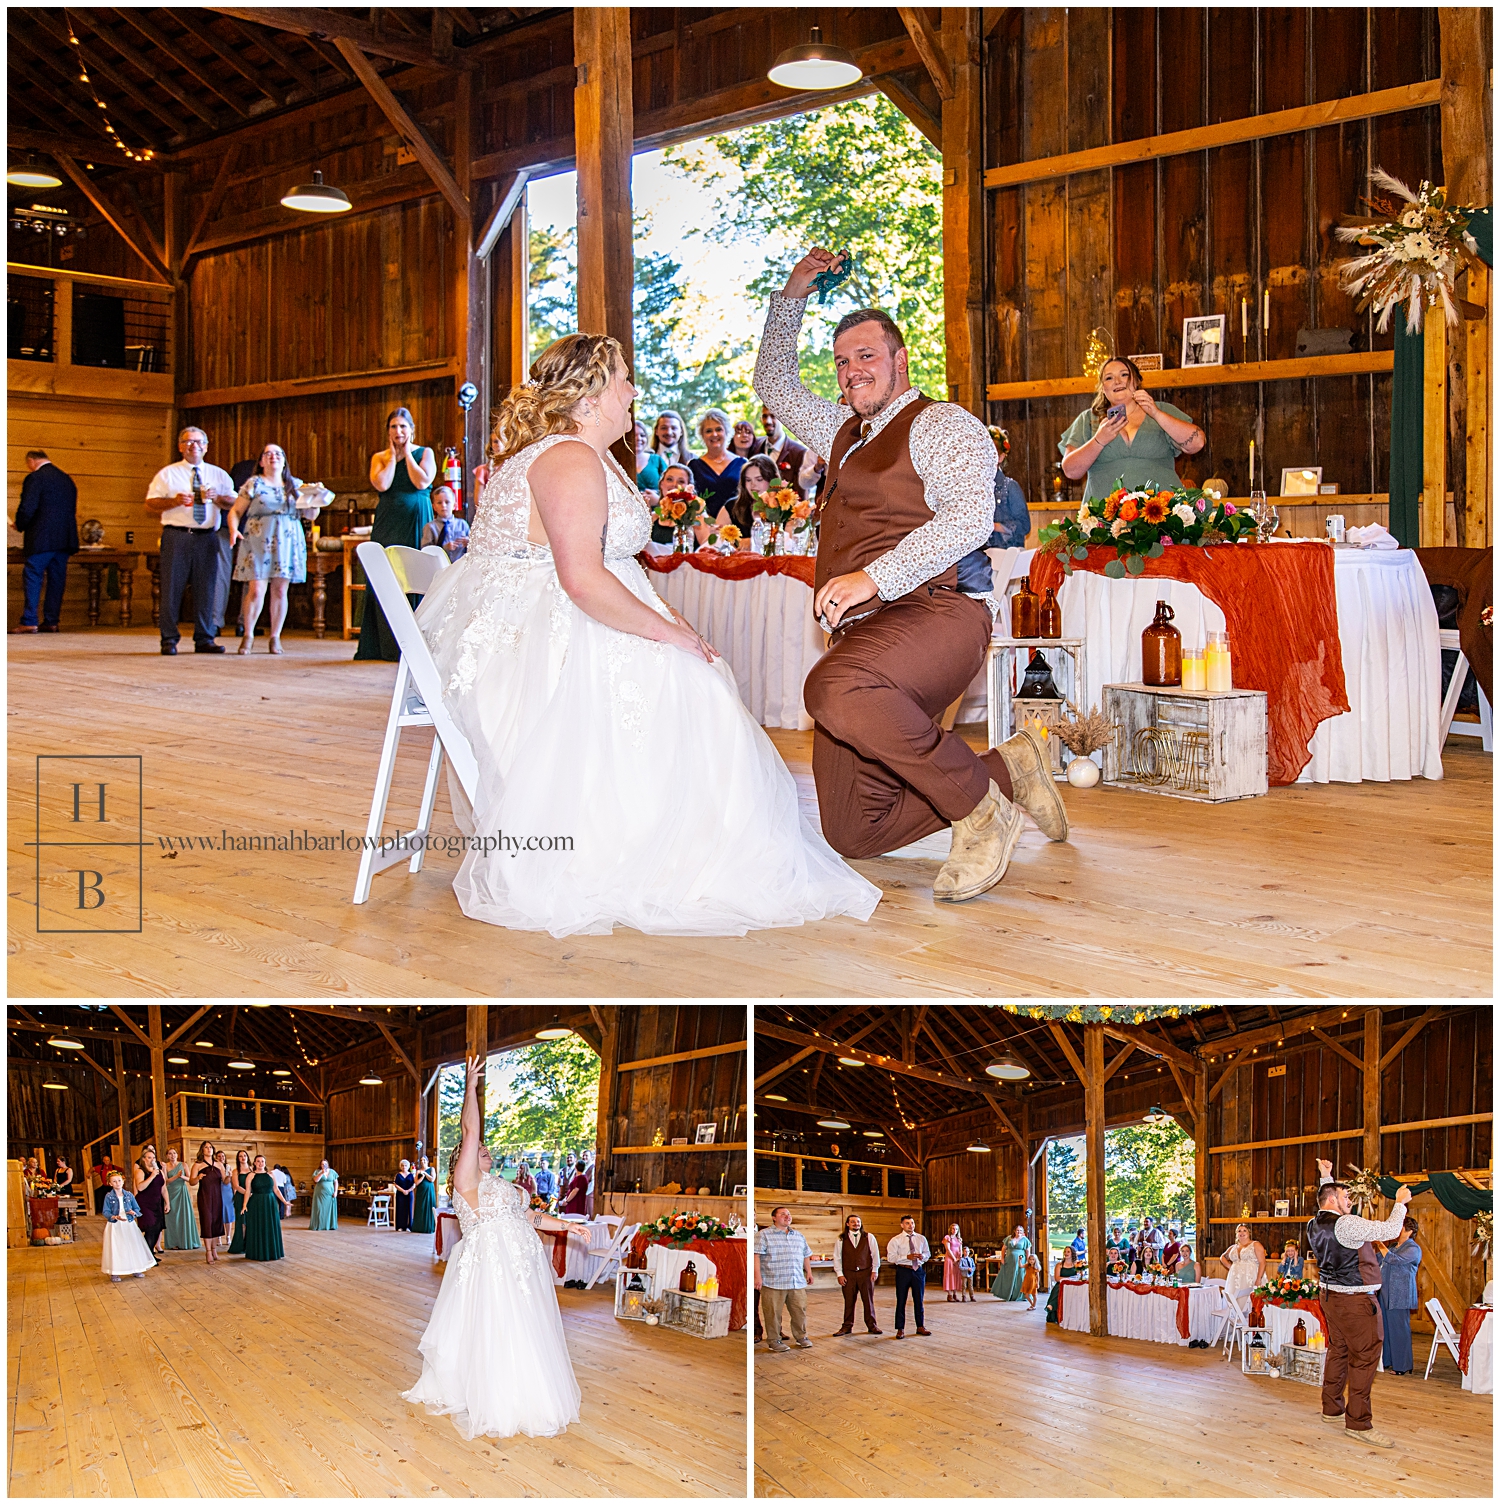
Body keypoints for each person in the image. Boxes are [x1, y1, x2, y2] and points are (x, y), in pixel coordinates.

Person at [413, 332, 880, 937]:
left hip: (553, 614)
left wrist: (671, 619)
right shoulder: (567, 458)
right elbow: (581, 580)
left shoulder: (584, 453)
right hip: (534, 641)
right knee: (690, 680)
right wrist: (668, 635)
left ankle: (694, 833)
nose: (633, 391)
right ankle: (674, 847)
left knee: (698, 667)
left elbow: (612, 569)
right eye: (623, 380)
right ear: (589, 396)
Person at [755, 247, 1067, 901]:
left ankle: (979, 814)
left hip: (943, 612)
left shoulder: (943, 423)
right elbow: (776, 388)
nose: (851, 371)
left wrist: (874, 578)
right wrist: (791, 294)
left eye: (866, 355)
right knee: (852, 830)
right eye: (842, 361)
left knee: (830, 689)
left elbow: (968, 520)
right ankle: (1009, 770)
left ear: (900, 361)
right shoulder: (842, 430)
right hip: (870, 637)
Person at [401, 1054, 587, 1439]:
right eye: (478, 1148)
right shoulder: (466, 1181)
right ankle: (495, 1399)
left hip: (521, 1266)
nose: (485, 1149)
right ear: (462, 1161)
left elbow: (532, 1218)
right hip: (491, 1262)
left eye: (486, 1149)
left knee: (524, 1326)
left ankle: (527, 1394)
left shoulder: (502, 1184)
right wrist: (470, 1089)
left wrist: (567, 1224)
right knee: (495, 1325)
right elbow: (470, 1131)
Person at [1310, 1158, 1412, 1446]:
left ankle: (1331, 1409)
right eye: (1345, 1197)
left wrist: (1325, 1176)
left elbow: (1324, 1199)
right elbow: (1391, 1231)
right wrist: (1400, 1202)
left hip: (1330, 1297)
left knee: (1338, 1351)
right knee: (1365, 1357)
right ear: (1333, 1199)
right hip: (1354, 1301)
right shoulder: (1347, 1224)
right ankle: (1358, 1423)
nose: (1350, 1200)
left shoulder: (1315, 1222)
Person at [1059, 357, 1205, 504]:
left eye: (1124, 375)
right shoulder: (1088, 419)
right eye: (1109, 378)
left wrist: (1155, 413)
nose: (1117, 381)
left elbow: (1197, 444)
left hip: (1161, 516)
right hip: (1105, 519)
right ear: (1103, 388)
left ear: (1136, 381)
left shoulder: (1162, 410)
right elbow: (1071, 471)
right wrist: (1099, 440)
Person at [146, 426, 235, 655]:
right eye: (187, 442)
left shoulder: (219, 475)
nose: (193, 446)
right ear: (180, 447)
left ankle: (205, 638)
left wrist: (218, 498)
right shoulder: (168, 474)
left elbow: (233, 503)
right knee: (172, 588)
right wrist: (173, 501)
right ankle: (169, 639)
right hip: (177, 536)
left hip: (207, 537)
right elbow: (150, 504)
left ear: (206, 447)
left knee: (207, 589)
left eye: (198, 442)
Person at [356, 406, 436, 661]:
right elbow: (382, 484)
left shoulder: (425, 453)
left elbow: (422, 482)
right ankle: (383, 645)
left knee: (413, 572)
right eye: (393, 426)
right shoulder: (380, 457)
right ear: (388, 430)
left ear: (411, 429)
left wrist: (408, 454)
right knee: (385, 571)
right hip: (388, 519)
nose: (398, 431)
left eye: (403, 426)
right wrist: (393, 456)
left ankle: (414, 643)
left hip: (415, 517)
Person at [226, 443, 312, 654]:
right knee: (256, 590)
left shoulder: (296, 485)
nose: (273, 457)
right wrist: (233, 530)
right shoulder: (253, 483)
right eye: (268, 454)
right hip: (258, 539)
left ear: (284, 461)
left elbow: (310, 515)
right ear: (262, 461)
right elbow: (236, 511)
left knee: (280, 589)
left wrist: (315, 501)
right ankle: (248, 634)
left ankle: (275, 637)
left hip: (287, 540)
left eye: (278, 454)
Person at [12, 450, 78, 634]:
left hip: (42, 537)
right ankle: (51, 621)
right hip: (64, 537)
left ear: (32, 461)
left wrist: (20, 524)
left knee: (33, 575)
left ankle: (30, 620)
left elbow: (28, 507)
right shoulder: (66, 479)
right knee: (57, 579)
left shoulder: (35, 478)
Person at [755, 1205, 813, 1352]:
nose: (787, 1216)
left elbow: (806, 1255)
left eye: (788, 1214)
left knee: (800, 1310)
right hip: (773, 1281)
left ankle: (801, 1337)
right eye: (783, 1214)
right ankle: (774, 1340)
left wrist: (809, 1272)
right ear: (774, 1218)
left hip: (796, 1281)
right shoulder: (764, 1235)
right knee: (773, 1313)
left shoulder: (798, 1236)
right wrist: (757, 1277)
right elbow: (756, 1256)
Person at [1377, 1215, 1422, 1375]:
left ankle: (1402, 1366)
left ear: (1408, 1230)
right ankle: (1388, 1361)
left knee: (1399, 1330)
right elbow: (1378, 1260)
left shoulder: (1413, 1248)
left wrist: (1379, 1244)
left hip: (1400, 1295)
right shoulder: (1395, 1246)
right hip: (1386, 1294)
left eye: (1399, 1227)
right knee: (1387, 1330)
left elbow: (1393, 1260)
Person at [688, 410, 745, 523]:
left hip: (738, 525)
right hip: (704, 528)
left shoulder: (743, 464)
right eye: (709, 431)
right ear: (702, 436)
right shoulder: (693, 466)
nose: (714, 434)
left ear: (727, 432)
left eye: (719, 429)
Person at [832, 1212, 881, 1336]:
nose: (856, 1224)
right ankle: (847, 1326)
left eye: (858, 1221)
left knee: (868, 1300)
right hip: (848, 1274)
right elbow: (837, 1257)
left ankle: (872, 1325)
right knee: (849, 1301)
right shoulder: (841, 1239)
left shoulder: (869, 1237)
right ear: (848, 1224)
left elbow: (875, 1254)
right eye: (853, 1222)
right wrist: (839, 1274)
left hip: (866, 1273)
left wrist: (875, 1270)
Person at [101, 1173, 154, 1281]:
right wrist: (113, 1216)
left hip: (128, 1224)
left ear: (123, 1181)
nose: (117, 1183)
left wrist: (133, 1213)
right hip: (115, 1224)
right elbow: (105, 1211)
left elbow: (137, 1209)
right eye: (114, 1181)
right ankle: (115, 1271)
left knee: (132, 1245)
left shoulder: (129, 1195)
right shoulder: (109, 1196)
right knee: (117, 1247)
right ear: (110, 1183)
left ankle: (136, 1268)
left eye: (119, 1180)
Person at [886, 1215, 931, 1338]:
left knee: (919, 1299)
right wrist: (906, 1257)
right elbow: (891, 1258)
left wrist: (923, 1257)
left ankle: (920, 1326)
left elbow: (928, 1253)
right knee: (901, 1300)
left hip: (918, 1271)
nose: (911, 1225)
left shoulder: (921, 1239)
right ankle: (900, 1329)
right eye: (907, 1223)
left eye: (912, 1223)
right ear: (902, 1225)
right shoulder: (896, 1240)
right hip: (903, 1271)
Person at [244, 1154, 291, 1261]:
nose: (260, 1163)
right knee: (258, 1226)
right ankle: (257, 1252)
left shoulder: (270, 1175)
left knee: (271, 1225)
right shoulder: (251, 1175)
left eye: (262, 1161)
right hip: (256, 1202)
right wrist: (244, 1205)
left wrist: (284, 1202)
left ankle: (272, 1251)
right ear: (255, 1163)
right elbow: (247, 1191)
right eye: (258, 1161)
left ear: (265, 1163)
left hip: (270, 1203)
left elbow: (276, 1190)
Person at [721, 454, 779, 538]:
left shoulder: (786, 509)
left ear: (774, 480)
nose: (753, 485)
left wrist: (752, 543)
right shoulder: (731, 506)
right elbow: (716, 543)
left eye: (759, 479)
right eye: (748, 480)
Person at [187, 1141, 225, 1264]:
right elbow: (191, 1182)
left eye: (210, 1147)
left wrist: (230, 1176)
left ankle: (214, 1250)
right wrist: (198, 1178)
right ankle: (208, 1251)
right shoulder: (197, 1165)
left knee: (216, 1222)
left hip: (218, 1197)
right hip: (205, 1197)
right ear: (202, 1150)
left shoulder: (219, 1165)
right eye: (206, 1147)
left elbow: (225, 1181)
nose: (208, 1149)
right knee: (207, 1221)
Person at [989, 443, 1030, 550]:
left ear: (1001, 457)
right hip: (981, 557)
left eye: (990, 453)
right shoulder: (976, 488)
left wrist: (994, 526)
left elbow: (1024, 525)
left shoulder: (1010, 486)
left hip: (1008, 554)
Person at [759, 406, 807, 489]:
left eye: (773, 416)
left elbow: (802, 494)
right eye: (765, 416)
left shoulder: (799, 452)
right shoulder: (756, 446)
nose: (768, 421)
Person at [160, 1149, 199, 1250]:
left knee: (183, 1216)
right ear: (167, 1156)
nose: (172, 1155)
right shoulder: (166, 1166)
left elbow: (190, 1179)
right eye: (170, 1153)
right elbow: (165, 1182)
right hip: (170, 1193)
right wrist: (176, 1176)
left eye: (174, 1153)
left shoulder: (183, 1164)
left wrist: (181, 1177)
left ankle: (187, 1241)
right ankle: (173, 1243)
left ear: (177, 1155)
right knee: (172, 1218)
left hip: (182, 1192)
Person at [132, 1149, 167, 1262]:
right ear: (143, 1159)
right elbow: (140, 1187)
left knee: (157, 1228)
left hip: (157, 1202)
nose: (152, 1160)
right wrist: (151, 1176)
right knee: (150, 1228)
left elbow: (164, 1188)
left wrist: (167, 1202)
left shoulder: (159, 1171)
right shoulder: (140, 1171)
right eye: (149, 1157)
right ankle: (147, 1256)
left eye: (153, 1157)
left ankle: (150, 1253)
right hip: (145, 1203)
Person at [1219, 1223, 1265, 1306]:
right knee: (1235, 1299)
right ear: (1237, 1234)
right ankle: (1236, 1317)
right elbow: (1222, 1257)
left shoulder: (1255, 1245)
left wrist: (1258, 1279)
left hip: (1251, 1276)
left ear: (1249, 1233)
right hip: (1235, 1278)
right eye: (1239, 1231)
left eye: (1244, 1230)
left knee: (1250, 1300)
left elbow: (1262, 1262)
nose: (1242, 1233)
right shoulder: (1233, 1247)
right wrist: (1230, 1266)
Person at [421, 485, 470, 561]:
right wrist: (443, 548)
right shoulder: (430, 527)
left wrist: (469, 542)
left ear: (454, 505)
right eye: (439, 503)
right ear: (434, 507)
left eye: (447, 502)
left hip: (460, 565)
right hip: (439, 565)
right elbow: (425, 551)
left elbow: (475, 546)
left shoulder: (463, 524)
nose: (443, 505)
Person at [992, 1222, 1031, 1301]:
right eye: (1017, 1230)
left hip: (1020, 1261)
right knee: (1008, 1277)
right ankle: (1007, 1294)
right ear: (1014, 1231)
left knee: (1020, 1277)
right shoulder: (1009, 1238)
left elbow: (1028, 1252)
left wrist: (1028, 1262)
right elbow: (1003, 1249)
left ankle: (1020, 1295)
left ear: (1023, 1232)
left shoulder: (1025, 1240)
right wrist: (1002, 1258)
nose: (1019, 1232)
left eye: (1020, 1231)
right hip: (1009, 1261)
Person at [225, 1151, 251, 1254]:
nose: (243, 1157)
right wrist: (247, 1193)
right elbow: (236, 1186)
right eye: (240, 1156)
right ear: (238, 1158)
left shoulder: (252, 1170)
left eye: (244, 1155)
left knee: (250, 1222)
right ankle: (240, 1245)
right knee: (242, 1222)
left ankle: (250, 1244)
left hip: (251, 1198)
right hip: (241, 1197)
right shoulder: (236, 1171)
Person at [634, 419, 667, 494]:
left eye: (642, 435)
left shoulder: (657, 460)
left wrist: (656, 497)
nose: (639, 438)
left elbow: (670, 487)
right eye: (633, 435)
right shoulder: (618, 462)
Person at [309, 1160, 339, 1231]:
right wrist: (321, 1173)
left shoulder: (332, 1172)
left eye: (325, 1164)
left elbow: (336, 1182)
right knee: (320, 1209)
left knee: (328, 1210)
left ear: (328, 1164)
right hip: (319, 1194)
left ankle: (329, 1225)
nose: (324, 1165)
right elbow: (316, 1180)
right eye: (322, 1164)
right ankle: (319, 1225)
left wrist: (335, 1192)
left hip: (330, 1194)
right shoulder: (317, 1171)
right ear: (320, 1165)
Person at [412, 1154, 439, 1233]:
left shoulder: (431, 1169)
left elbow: (432, 1179)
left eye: (424, 1160)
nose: (422, 1162)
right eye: (421, 1160)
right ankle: (419, 1227)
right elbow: (416, 1182)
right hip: (420, 1191)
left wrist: (425, 1173)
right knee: (421, 1207)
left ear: (427, 1161)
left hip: (429, 1190)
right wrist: (422, 1176)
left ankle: (429, 1227)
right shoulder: (418, 1171)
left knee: (428, 1207)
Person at [942, 1222, 964, 1302]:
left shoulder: (959, 1239)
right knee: (949, 1275)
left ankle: (955, 1293)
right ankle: (949, 1294)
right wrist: (954, 1258)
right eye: (953, 1229)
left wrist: (960, 1257)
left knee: (956, 1275)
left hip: (957, 1259)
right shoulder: (947, 1237)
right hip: (950, 1258)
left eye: (956, 1229)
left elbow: (960, 1249)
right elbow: (948, 1249)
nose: (955, 1230)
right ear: (950, 1229)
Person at [394, 1160, 417, 1230]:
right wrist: (403, 1191)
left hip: (409, 1194)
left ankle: (409, 1226)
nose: (404, 1167)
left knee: (409, 1209)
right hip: (400, 1194)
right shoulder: (398, 1175)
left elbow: (414, 1184)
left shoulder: (411, 1175)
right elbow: (396, 1184)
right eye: (402, 1165)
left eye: (405, 1165)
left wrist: (408, 1191)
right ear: (400, 1166)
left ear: (408, 1167)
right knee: (400, 1209)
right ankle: (400, 1226)